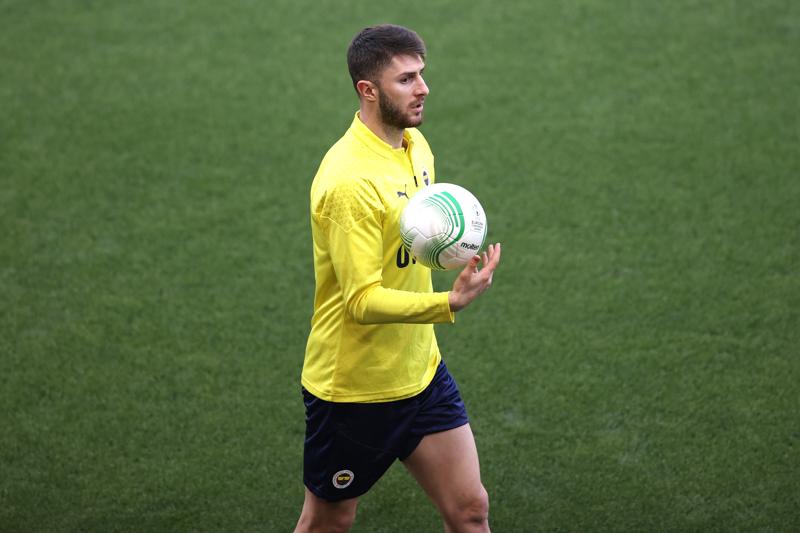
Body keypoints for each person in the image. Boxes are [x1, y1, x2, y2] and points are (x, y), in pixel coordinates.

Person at [295, 24, 501, 533]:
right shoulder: (348, 182)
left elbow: (409, 245)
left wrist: (449, 252)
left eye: (421, 74)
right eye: (406, 79)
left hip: (422, 373)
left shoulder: (415, 145)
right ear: (368, 90)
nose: (423, 88)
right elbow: (361, 300)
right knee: (328, 523)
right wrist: (447, 303)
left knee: (470, 510)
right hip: (355, 392)